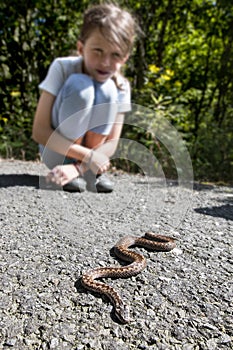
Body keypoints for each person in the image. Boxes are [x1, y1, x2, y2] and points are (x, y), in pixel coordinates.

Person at [32, 3, 136, 193]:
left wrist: (80, 167)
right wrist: (89, 156)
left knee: (108, 90)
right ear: (81, 48)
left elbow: (112, 143)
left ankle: (84, 173)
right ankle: (69, 165)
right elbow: (39, 131)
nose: (105, 62)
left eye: (115, 55)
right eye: (97, 51)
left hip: (92, 160)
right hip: (56, 151)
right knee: (81, 86)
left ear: (125, 57)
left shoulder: (122, 86)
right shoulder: (62, 67)